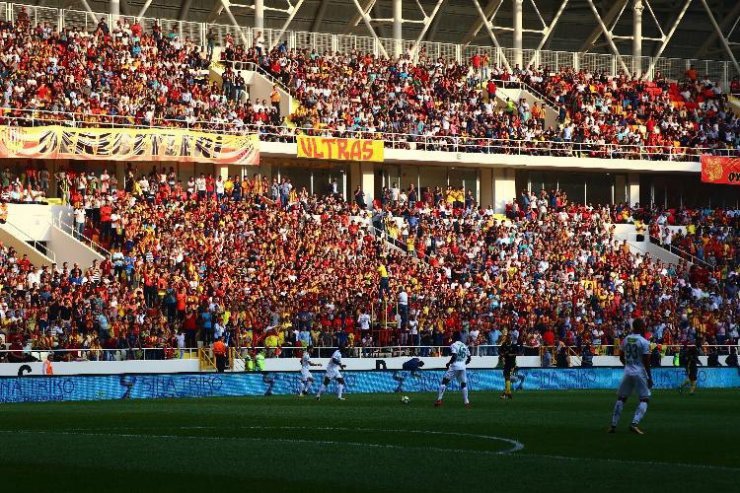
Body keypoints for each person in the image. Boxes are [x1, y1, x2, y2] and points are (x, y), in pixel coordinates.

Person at [609, 318, 653, 435]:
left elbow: (621, 357)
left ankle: (613, 425)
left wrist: (628, 365)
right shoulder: (644, 342)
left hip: (627, 371)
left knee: (621, 398)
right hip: (639, 372)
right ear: (641, 327)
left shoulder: (626, 339)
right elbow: (646, 362)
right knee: (644, 398)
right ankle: (634, 423)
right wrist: (649, 377)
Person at [434, 339, 471, 407]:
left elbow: (454, 355)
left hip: (455, 366)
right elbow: (469, 358)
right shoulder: (465, 346)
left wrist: (449, 363)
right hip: (463, 367)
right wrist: (463, 363)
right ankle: (466, 402)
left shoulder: (454, 345)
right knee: (463, 384)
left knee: (444, 381)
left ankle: (439, 400)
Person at [500, 332, 518, 400]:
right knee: (506, 378)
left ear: (511, 338)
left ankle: (507, 393)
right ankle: (508, 392)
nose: (508, 339)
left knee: (507, 377)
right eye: (507, 337)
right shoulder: (504, 345)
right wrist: (503, 354)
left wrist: (512, 354)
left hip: (512, 363)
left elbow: (518, 353)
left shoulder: (514, 346)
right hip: (506, 363)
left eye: (510, 338)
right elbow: (500, 352)